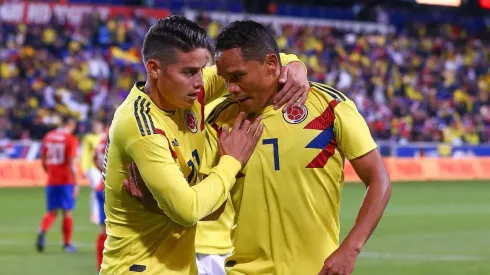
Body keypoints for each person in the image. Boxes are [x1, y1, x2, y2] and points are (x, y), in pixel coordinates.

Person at [125, 20, 392, 275]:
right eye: (225, 79)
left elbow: (378, 179)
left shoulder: (329, 106)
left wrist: (350, 248)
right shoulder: (219, 120)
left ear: (271, 64)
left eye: (238, 76)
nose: (232, 88)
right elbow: (211, 206)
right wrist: (161, 201)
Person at [100, 15, 307, 275]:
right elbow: (188, 210)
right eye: (188, 72)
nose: (199, 81)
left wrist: (295, 64)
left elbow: (251, 64)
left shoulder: (187, 96)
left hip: (180, 267)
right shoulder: (142, 125)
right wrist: (231, 161)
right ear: (154, 69)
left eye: (201, 69)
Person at [36, 115, 79, 253]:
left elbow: (42, 159)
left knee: (52, 211)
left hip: (52, 179)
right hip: (66, 180)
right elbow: (72, 164)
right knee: (67, 212)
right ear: (70, 125)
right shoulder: (70, 139)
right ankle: (67, 244)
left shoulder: (48, 136)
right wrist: (76, 183)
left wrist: (48, 172)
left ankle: (42, 230)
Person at [80, 119, 105, 224]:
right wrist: (84, 168)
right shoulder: (88, 138)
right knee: (97, 190)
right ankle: (96, 214)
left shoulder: (105, 136)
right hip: (93, 167)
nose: (96, 128)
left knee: (103, 191)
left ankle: (102, 213)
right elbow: (85, 153)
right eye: (95, 126)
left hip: (104, 167)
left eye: (98, 126)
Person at [93, 130, 108, 272]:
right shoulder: (122, 131)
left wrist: (103, 173)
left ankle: (100, 267)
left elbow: (94, 157)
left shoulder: (104, 136)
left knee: (104, 230)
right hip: (114, 189)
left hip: (101, 186)